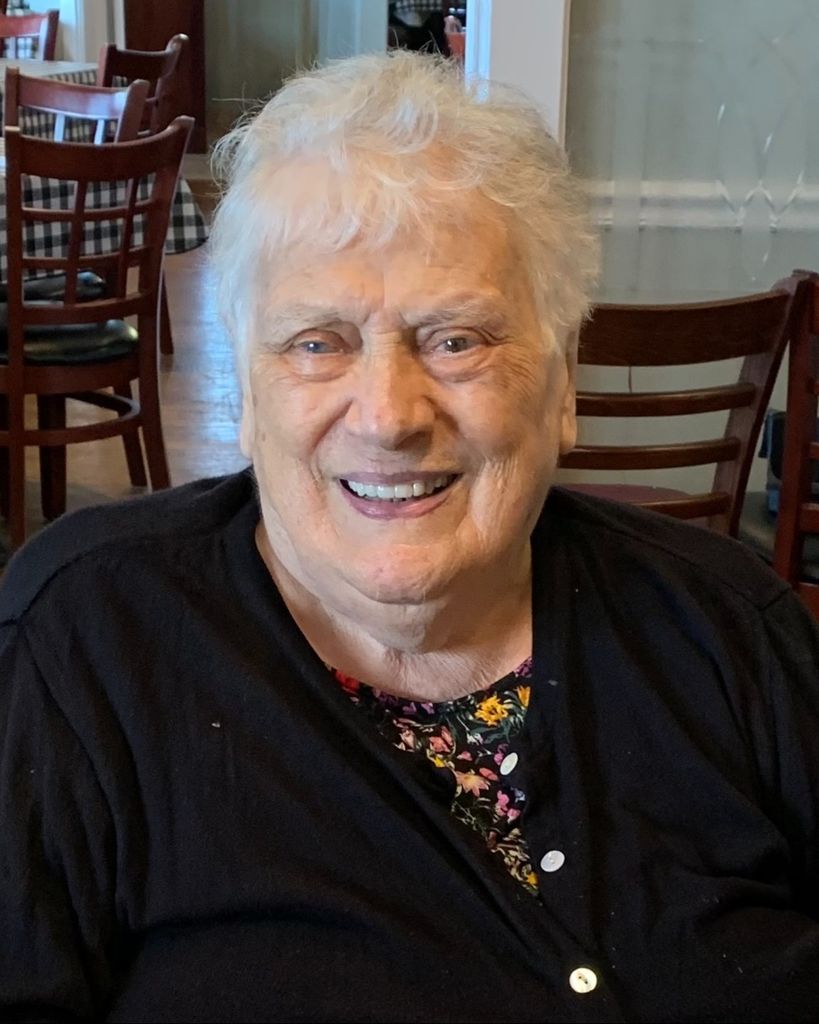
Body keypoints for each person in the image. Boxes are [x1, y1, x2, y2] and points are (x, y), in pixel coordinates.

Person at [1, 50, 818, 1023]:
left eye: (456, 339)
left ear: (564, 384)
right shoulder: (85, 643)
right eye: (316, 342)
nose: (388, 416)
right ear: (248, 395)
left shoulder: (729, 628)